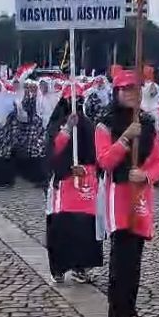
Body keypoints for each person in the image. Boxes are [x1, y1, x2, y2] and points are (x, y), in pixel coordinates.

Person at [96, 70, 159, 317]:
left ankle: (132, 309)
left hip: (140, 195)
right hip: (118, 195)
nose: (128, 94)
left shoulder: (148, 124)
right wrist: (125, 139)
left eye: (133, 89)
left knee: (135, 255)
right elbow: (104, 161)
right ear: (116, 93)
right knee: (120, 254)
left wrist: (145, 175)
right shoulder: (105, 124)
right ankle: (117, 312)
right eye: (123, 89)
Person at [44, 88, 103, 284]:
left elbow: (98, 157)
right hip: (63, 185)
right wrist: (67, 130)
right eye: (70, 101)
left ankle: (81, 267)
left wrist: (85, 170)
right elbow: (53, 153)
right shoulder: (56, 125)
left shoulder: (89, 126)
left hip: (85, 186)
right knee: (61, 229)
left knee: (85, 230)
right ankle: (59, 268)